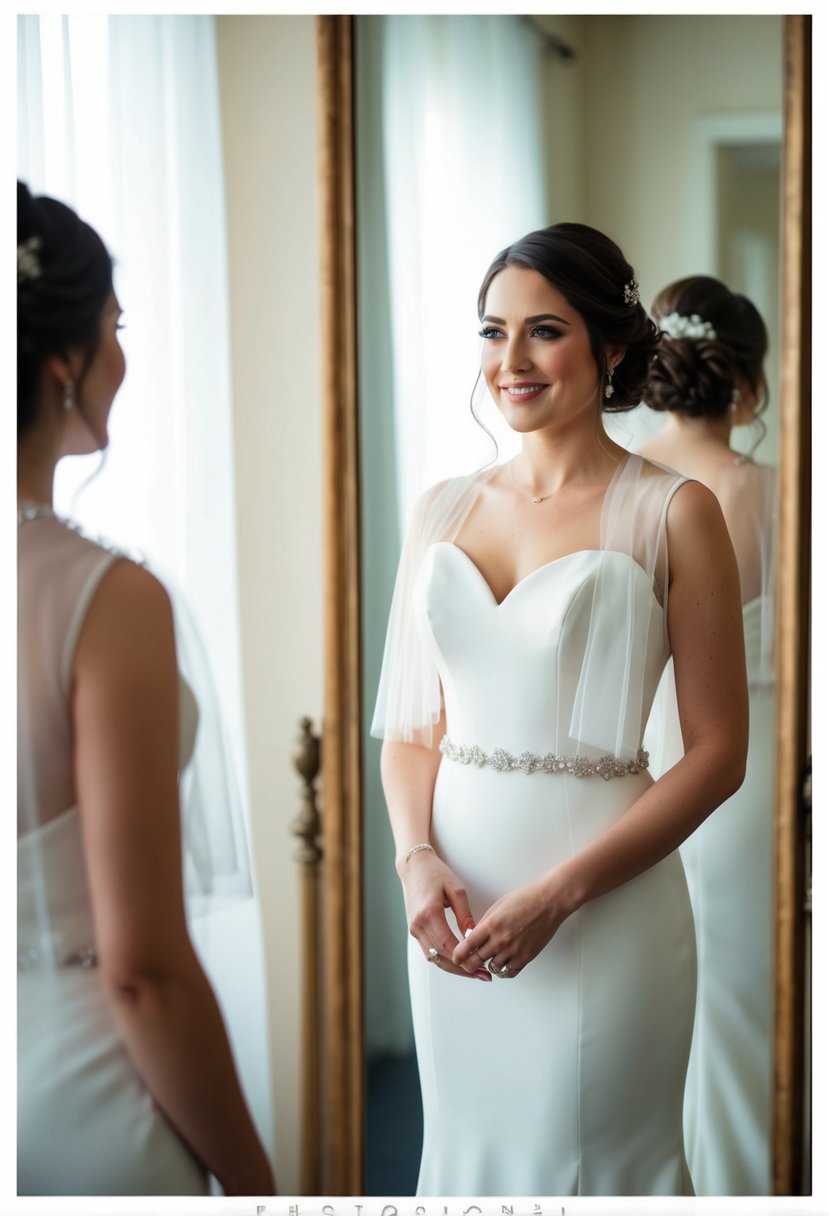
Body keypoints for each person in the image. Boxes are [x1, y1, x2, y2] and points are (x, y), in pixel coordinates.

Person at [371, 223, 748, 1196]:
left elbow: (716, 756)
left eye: (544, 331)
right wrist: (414, 857)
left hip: (606, 910)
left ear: (611, 346)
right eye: (493, 332)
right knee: (467, 1154)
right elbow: (412, 729)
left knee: (596, 1164)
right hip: (454, 905)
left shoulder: (674, 511)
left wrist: (560, 893)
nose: (511, 360)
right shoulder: (441, 509)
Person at [17, 180, 275, 1197]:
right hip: (71, 1088)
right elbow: (143, 971)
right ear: (65, 363)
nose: (126, 357)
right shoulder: (102, 598)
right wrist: (259, 1180)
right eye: (116, 329)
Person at [639, 275, 776, 1196]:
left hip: (641, 763)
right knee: (740, 1006)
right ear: (748, 386)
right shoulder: (778, 494)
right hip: (756, 770)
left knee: (643, 1002)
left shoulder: (617, 489)